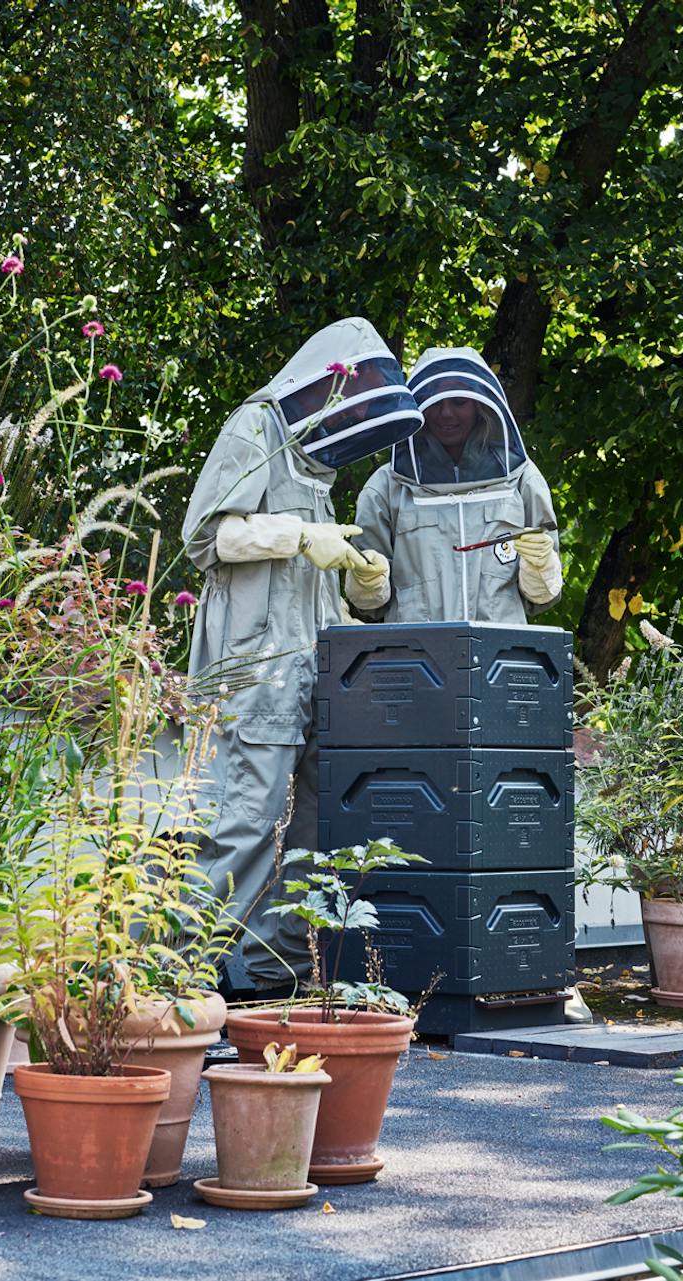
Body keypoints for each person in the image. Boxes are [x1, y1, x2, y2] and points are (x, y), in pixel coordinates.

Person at [182, 318, 422, 994]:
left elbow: (306, 579)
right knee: (244, 826)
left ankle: (268, 971)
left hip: (313, 670)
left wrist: (357, 583)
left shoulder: (316, 464)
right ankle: (176, 980)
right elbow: (206, 537)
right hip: (251, 671)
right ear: (328, 379)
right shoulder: (254, 427)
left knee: (325, 823)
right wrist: (297, 534)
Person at [346, 346, 562, 623]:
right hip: (413, 654)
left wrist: (540, 568)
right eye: (435, 401)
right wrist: (368, 581)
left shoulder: (521, 478)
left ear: (479, 403)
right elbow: (369, 605)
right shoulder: (387, 486)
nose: (446, 413)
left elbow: (542, 597)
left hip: (500, 653)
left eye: (459, 401)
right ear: (419, 404)